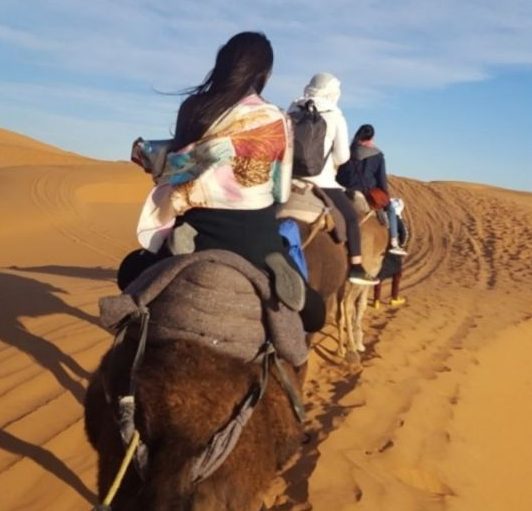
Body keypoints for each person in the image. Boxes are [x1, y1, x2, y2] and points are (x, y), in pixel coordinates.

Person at [126, 31, 325, 332]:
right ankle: (275, 263)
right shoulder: (278, 118)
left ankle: (180, 246)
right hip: (256, 236)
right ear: (264, 75)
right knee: (315, 315)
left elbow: (179, 170)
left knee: (129, 274)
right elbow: (280, 191)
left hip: (196, 226)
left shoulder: (194, 108)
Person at [288, 73, 378, 286]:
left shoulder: (291, 111)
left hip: (287, 179)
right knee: (351, 219)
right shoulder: (335, 116)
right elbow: (342, 157)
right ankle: (356, 266)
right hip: (322, 181)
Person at [336, 124, 407, 256]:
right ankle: (394, 242)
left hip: (349, 192)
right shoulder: (377, 155)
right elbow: (381, 179)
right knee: (391, 209)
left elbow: (340, 177)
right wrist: (384, 196)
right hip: (369, 194)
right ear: (372, 137)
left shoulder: (349, 152)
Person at [374, 198, 408, 307]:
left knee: (379, 274)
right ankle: (394, 298)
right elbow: (404, 235)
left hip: (380, 249)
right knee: (397, 274)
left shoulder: (380, 218)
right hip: (393, 250)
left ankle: (376, 300)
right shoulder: (397, 220)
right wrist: (401, 245)